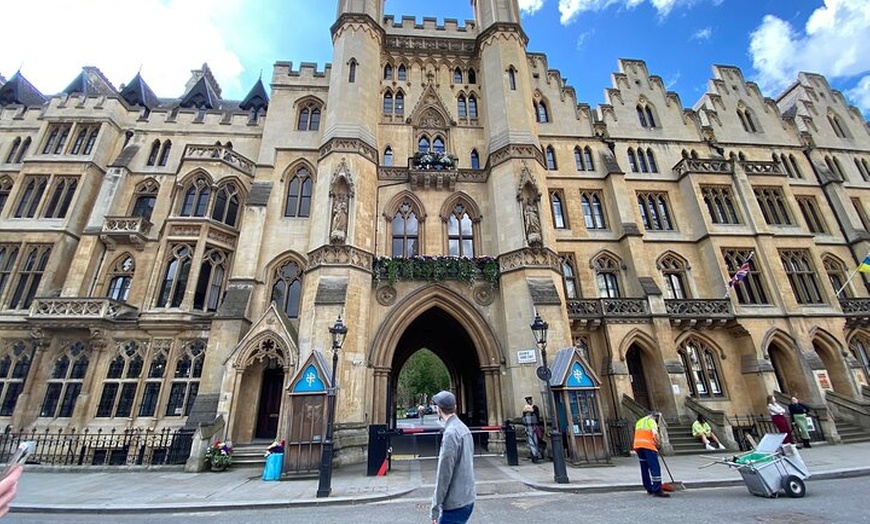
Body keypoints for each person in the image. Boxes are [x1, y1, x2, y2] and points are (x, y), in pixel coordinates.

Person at [430, 390, 475, 524]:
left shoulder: (450, 434)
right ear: (455, 407)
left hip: (456, 503)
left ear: (438, 408)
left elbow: (444, 474)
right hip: (467, 497)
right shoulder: (464, 429)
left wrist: (435, 507)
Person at [633, 410, 669, 498]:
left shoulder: (640, 421)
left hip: (638, 446)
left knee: (644, 467)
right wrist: (658, 444)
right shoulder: (651, 421)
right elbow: (655, 433)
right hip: (648, 446)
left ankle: (649, 488)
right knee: (654, 467)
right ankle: (657, 489)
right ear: (655, 417)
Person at [522, 396, 543, 463]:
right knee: (533, 442)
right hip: (532, 427)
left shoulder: (528, 410)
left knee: (533, 442)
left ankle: (535, 455)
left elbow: (524, 420)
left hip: (531, 428)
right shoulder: (532, 410)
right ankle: (535, 455)